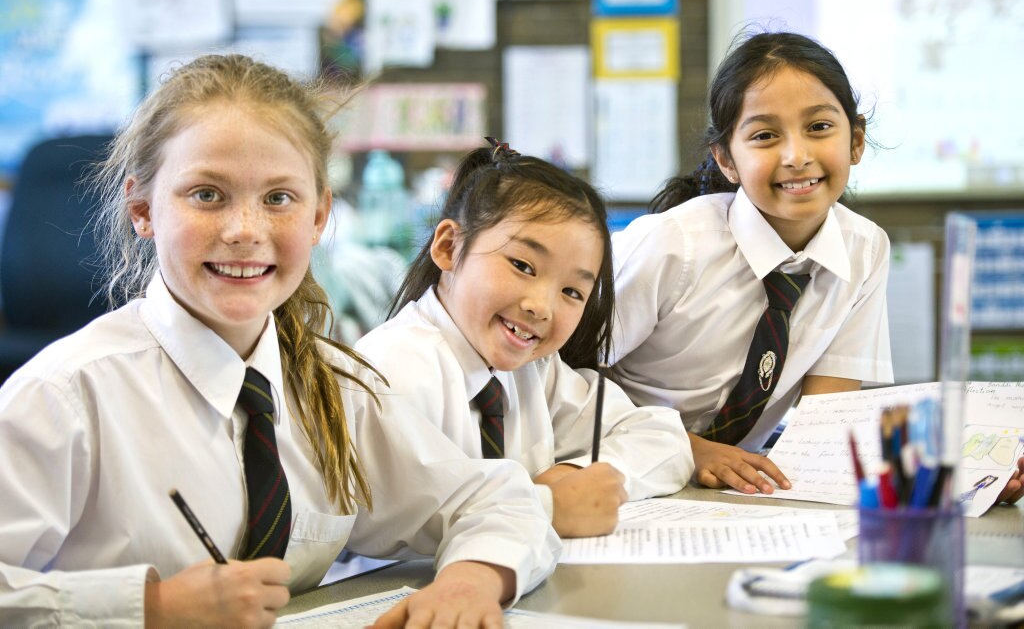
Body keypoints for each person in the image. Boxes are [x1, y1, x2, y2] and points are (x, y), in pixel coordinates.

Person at [0, 55, 559, 627]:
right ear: (143, 209)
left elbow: (493, 499)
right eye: (207, 195)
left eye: (278, 199)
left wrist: (470, 583)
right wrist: (151, 608)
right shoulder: (65, 397)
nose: (245, 230)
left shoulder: (334, 389)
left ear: (319, 217)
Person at [355, 140, 693, 539]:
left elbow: (663, 437)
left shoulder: (533, 370)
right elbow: (411, 513)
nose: (542, 307)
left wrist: (571, 477)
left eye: (572, 292)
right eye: (522, 265)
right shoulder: (394, 371)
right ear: (448, 247)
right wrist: (548, 506)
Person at [609, 31, 895, 497]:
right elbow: (562, 378)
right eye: (764, 136)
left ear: (856, 140)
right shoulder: (672, 244)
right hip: (617, 472)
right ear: (726, 159)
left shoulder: (864, 250)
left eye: (819, 128)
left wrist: (963, 483)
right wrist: (688, 448)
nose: (797, 156)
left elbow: (824, 427)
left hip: (734, 495)